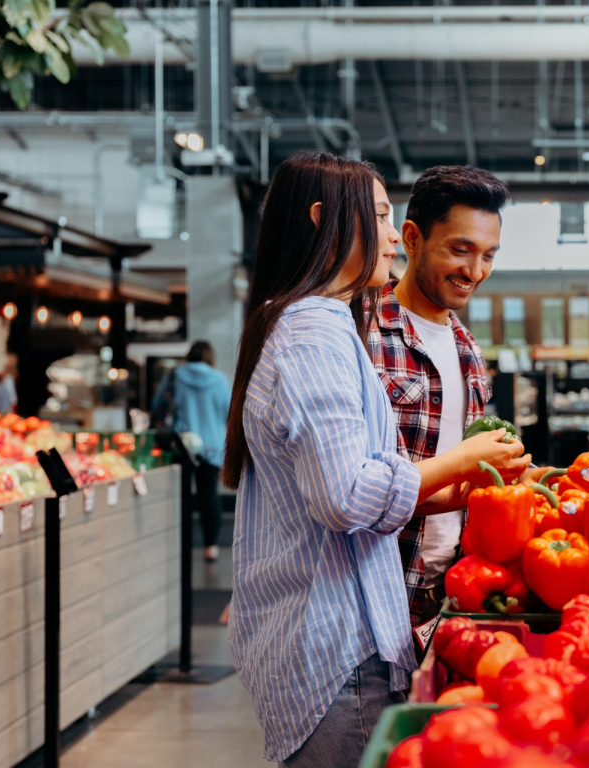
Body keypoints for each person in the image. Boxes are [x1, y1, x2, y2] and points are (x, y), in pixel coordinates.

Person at [223, 151, 526, 766]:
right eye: (382, 215)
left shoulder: (316, 322)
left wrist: (462, 491)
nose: (390, 233)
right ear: (324, 220)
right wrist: (463, 461)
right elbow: (348, 496)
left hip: (354, 626)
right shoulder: (320, 330)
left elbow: (350, 476)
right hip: (337, 636)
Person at [366, 165, 531, 633]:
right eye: (460, 250)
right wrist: (465, 465)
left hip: (454, 590)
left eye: (488, 256)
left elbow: (459, 483)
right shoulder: (361, 332)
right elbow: (351, 489)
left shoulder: (469, 351)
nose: (474, 272)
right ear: (412, 238)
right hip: (379, 591)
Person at [152, 341, 231, 563]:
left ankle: (181, 544)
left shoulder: (175, 375)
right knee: (209, 495)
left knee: (181, 496)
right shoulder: (221, 380)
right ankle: (211, 547)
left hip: (182, 444)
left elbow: (157, 404)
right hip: (212, 446)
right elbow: (229, 414)